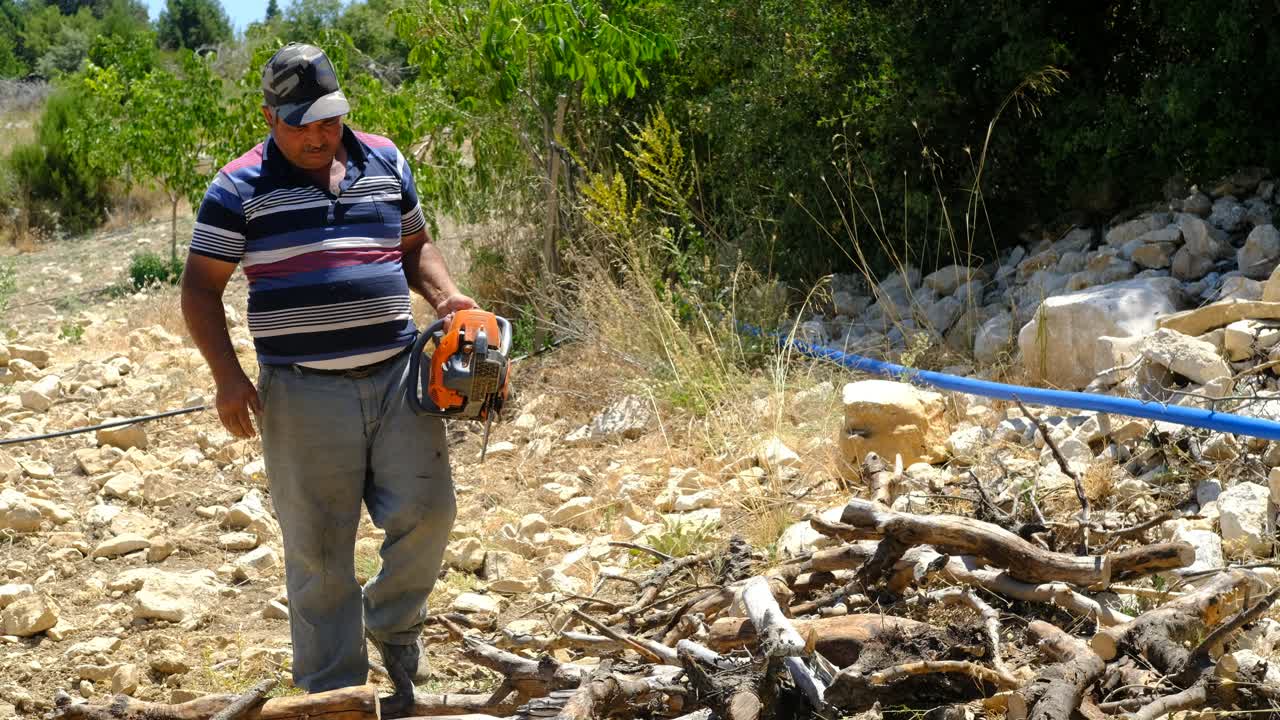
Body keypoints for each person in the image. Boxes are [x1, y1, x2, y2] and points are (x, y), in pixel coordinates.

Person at [180, 42, 473, 715]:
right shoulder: (236, 186)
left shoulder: (385, 158)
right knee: (317, 549)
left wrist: (446, 296)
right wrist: (227, 378)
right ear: (269, 116)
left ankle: (395, 636)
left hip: (401, 377)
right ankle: (333, 694)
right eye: (302, 122)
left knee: (430, 513)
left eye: (329, 119)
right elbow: (200, 290)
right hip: (301, 390)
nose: (319, 134)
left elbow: (412, 245)